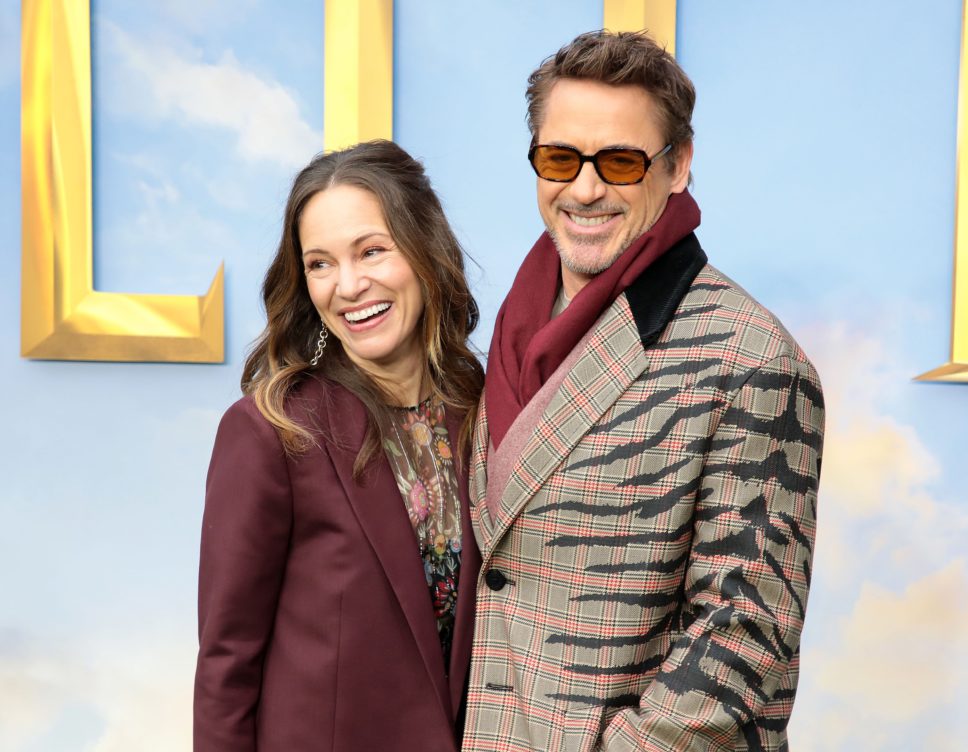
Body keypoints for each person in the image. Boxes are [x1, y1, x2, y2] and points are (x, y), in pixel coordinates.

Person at [462, 31, 825, 752]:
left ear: (678, 164)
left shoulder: (754, 356)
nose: (584, 189)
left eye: (621, 162)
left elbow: (743, 641)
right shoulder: (512, 330)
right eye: (560, 159)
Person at [193, 140, 484, 751]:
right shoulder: (272, 430)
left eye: (371, 251)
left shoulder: (482, 410)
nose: (347, 285)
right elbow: (226, 664)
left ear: (424, 249)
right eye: (319, 264)